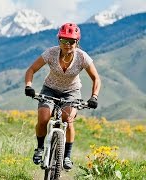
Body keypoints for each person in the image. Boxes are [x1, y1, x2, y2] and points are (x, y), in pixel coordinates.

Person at [24, 23, 101, 170]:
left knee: (68, 120)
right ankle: (40, 149)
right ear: (59, 40)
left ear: (77, 42)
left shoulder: (82, 57)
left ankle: (66, 156)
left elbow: (96, 78)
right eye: (64, 40)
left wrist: (94, 97)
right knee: (44, 118)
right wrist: (29, 86)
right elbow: (31, 69)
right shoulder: (51, 53)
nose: (67, 44)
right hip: (50, 89)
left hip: (71, 92)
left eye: (71, 41)